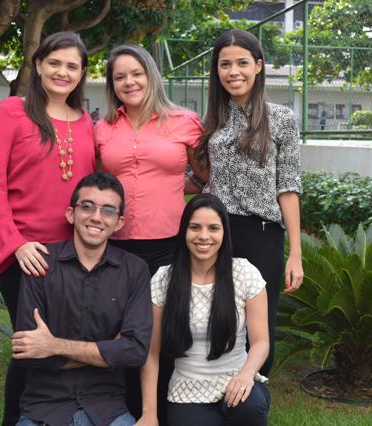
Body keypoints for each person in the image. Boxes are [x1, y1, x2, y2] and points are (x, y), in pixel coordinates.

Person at [0, 31, 96, 425]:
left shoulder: (85, 122)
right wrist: (15, 244)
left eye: (72, 66)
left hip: (74, 254)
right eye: (55, 63)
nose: (63, 72)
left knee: (63, 345)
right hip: (24, 253)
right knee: (30, 346)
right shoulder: (11, 111)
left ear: (82, 74)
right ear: (39, 65)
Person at [94, 44, 206, 420]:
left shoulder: (185, 121)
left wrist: (174, 189)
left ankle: (168, 409)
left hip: (168, 245)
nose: (129, 82)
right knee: (122, 329)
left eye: (136, 73)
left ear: (151, 76)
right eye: (120, 76)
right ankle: (126, 410)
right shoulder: (103, 128)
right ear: (112, 84)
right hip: (118, 246)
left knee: (166, 331)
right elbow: (98, 182)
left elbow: (207, 177)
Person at [196, 29, 303, 376]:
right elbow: (200, 178)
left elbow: (288, 186)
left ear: (258, 66)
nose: (233, 71)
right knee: (215, 314)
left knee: (260, 320)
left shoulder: (282, 118)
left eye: (242, 63)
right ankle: (213, 391)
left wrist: (296, 253)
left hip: (261, 234)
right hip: (215, 233)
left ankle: (253, 395)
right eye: (225, 64)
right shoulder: (211, 121)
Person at [11, 172, 152, 426]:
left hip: (107, 409)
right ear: (70, 213)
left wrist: (52, 345)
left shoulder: (134, 271)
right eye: (87, 206)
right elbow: (28, 352)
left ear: (119, 222)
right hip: (44, 408)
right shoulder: (39, 263)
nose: (96, 217)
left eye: (108, 211)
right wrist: (108, 351)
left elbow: (135, 352)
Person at [137, 194, 270, 426]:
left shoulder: (245, 273)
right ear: (184, 231)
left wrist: (246, 375)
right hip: (187, 389)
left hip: (236, 379)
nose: (204, 236)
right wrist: (149, 413)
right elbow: (151, 352)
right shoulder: (163, 279)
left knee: (250, 409)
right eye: (195, 227)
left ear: (224, 233)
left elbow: (261, 342)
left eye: (213, 228)